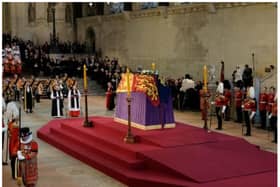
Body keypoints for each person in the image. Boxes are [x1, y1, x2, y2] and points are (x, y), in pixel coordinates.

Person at [6, 102, 19, 179]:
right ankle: (15, 174)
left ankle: (14, 174)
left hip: (12, 142)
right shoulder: (14, 124)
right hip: (15, 143)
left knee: (13, 158)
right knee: (15, 158)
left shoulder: (10, 123)